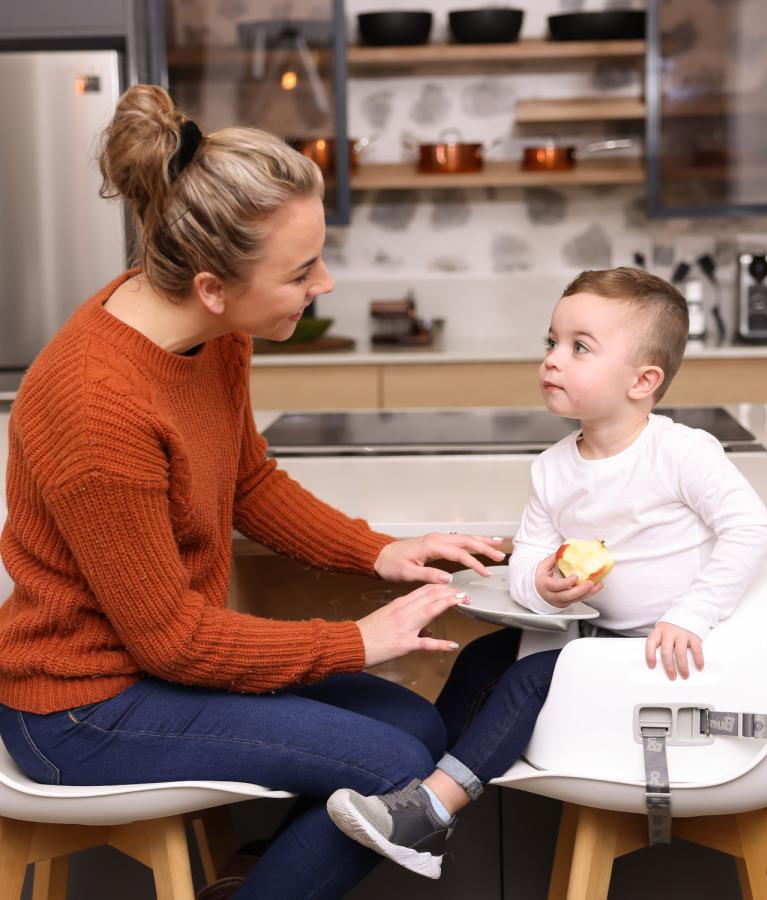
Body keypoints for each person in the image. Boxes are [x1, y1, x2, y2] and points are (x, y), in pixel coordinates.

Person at [0, 84, 507, 900]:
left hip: (154, 672)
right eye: (302, 270)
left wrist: (380, 551)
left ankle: (255, 881)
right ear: (211, 285)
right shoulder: (95, 404)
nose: (327, 283)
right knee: (399, 767)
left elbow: (247, 482)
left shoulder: (213, 333)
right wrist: (356, 642)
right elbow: (170, 639)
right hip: (80, 707)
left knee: (416, 721)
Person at [326, 267, 767, 879]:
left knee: (531, 679)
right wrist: (540, 582)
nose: (553, 360)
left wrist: (689, 615)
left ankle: (429, 815)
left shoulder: (681, 453)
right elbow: (529, 559)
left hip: (659, 652)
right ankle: (411, 783)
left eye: (580, 348)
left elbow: (752, 529)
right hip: (597, 638)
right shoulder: (552, 468)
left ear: (644, 381)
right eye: (551, 342)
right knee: (482, 661)